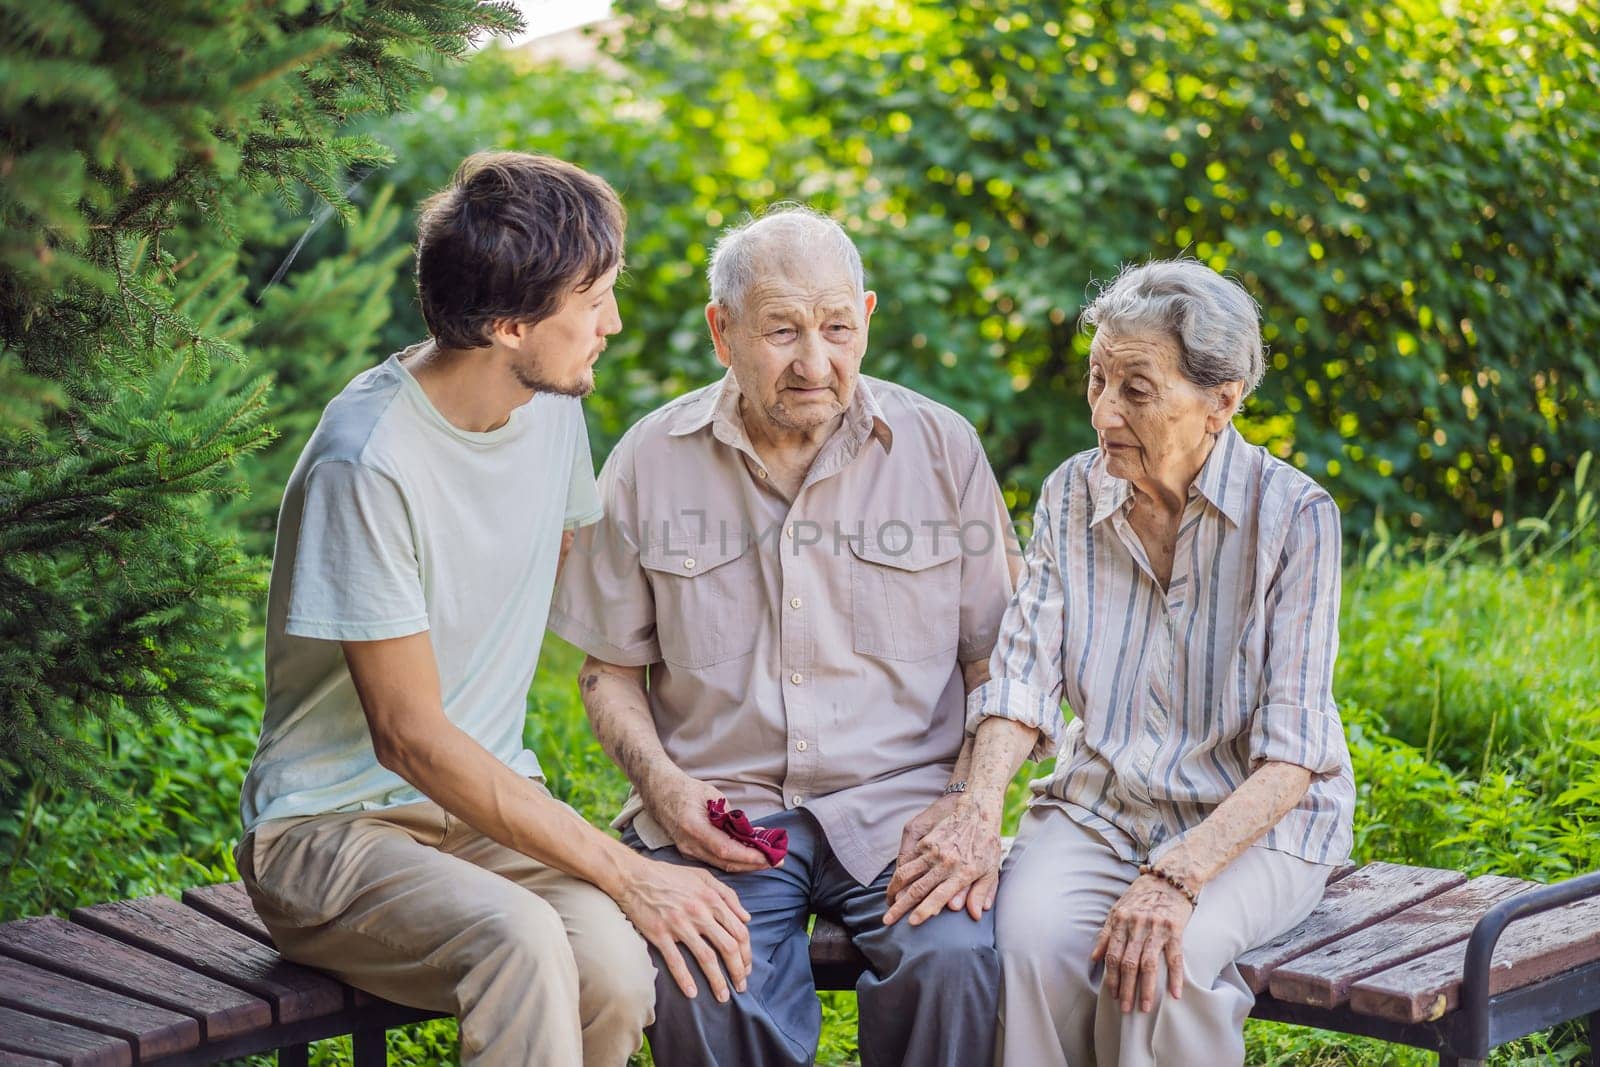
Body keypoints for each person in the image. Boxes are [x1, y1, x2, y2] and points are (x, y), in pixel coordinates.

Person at [235, 151, 751, 1067]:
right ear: (509, 324)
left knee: (616, 972)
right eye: (592, 304)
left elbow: (562, 574)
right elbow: (411, 739)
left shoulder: (549, 401)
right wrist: (627, 868)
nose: (613, 325)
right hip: (329, 832)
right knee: (521, 943)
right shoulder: (369, 462)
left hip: (481, 819)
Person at [550, 204, 1016, 1066]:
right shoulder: (650, 461)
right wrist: (664, 787)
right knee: (703, 972)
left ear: (867, 319)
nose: (815, 361)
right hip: (724, 815)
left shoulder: (943, 449)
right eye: (782, 331)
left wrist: (973, 805)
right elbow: (606, 673)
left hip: (906, 809)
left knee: (958, 962)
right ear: (721, 331)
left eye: (838, 327)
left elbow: (1001, 662)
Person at [898, 258, 1355, 1066]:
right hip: (1102, 805)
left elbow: (1293, 759)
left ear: (1223, 399)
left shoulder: (1294, 517)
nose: (1104, 410)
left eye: (1136, 389)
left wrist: (1178, 875)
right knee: (1030, 947)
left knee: (1159, 969)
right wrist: (976, 807)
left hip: (1253, 827)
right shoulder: (1071, 495)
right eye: (1097, 378)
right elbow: (1021, 678)